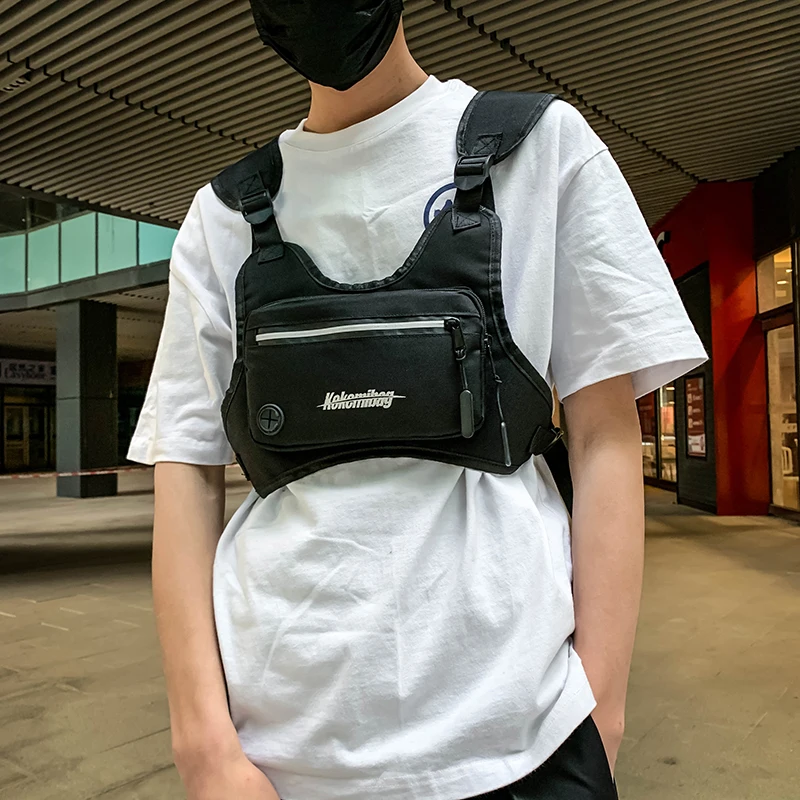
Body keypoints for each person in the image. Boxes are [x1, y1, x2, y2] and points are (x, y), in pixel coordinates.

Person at [128, 3, 707, 799]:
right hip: (281, 762)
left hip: (527, 743)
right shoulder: (221, 218)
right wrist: (203, 747)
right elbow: (186, 467)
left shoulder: (541, 148)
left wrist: (600, 712)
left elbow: (603, 431)